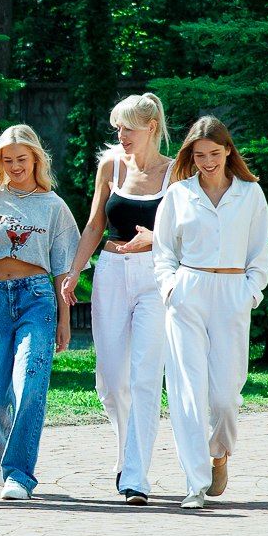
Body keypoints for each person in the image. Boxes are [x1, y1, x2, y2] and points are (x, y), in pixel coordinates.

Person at [0, 125, 82, 500]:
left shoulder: (53, 205)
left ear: (36, 160)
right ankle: (3, 450)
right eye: (6, 160)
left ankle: (19, 475)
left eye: (21, 160)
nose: (14, 166)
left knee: (30, 385)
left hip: (38, 298)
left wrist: (64, 319)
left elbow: (62, 268)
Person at [153, 115, 268, 510]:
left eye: (215, 153)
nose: (207, 161)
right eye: (199, 154)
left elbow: (259, 253)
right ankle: (195, 481)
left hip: (232, 293)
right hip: (188, 291)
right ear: (191, 155)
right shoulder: (178, 194)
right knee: (188, 390)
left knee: (224, 395)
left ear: (228, 152)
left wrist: (249, 293)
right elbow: (164, 250)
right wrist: (171, 288)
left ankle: (219, 452)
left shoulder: (250, 194)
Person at [66, 92, 173, 503]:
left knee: (146, 376)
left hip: (154, 278)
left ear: (151, 128)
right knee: (110, 382)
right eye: (118, 128)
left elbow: (187, 233)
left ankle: (135, 476)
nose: (121, 135)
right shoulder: (110, 165)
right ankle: (128, 451)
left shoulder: (174, 173)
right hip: (110, 274)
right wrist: (75, 271)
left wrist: (156, 240)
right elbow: (95, 224)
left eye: (128, 128)